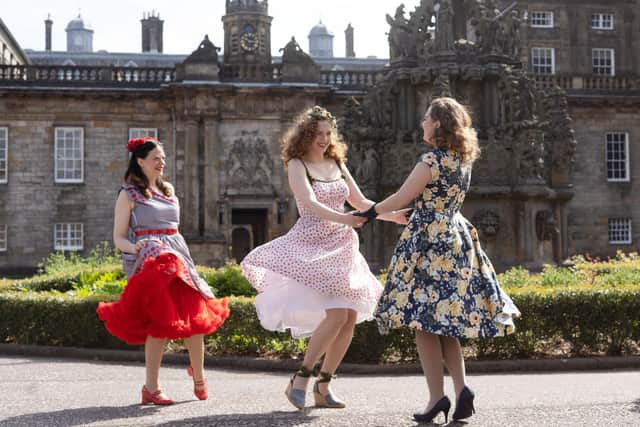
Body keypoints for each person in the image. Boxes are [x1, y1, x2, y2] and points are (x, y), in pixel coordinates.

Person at [357, 97, 520, 423]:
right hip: (456, 236)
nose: (422, 124)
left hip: (429, 241)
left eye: (426, 119)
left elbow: (403, 196)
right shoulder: (462, 160)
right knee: (444, 323)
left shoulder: (430, 160)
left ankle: (436, 398)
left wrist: (371, 211)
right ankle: (461, 390)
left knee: (422, 322)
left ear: (438, 124)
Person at [240, 106, 407, 410]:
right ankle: (301, 378)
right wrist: (347, 219)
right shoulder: (297, 164)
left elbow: (360, 202)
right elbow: (309, 203)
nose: (324, 139)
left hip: (342, 245)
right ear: (306, 134)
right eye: (318, 134)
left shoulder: (336, 162)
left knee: (350, 317)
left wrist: (392, 216)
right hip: (312, 244)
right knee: (337, 315)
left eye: (328, 133)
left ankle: (324, 385)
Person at [97, 137, 230, 405]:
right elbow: (119, 238)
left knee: (196, 318)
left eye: (163, 158)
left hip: (179, 260)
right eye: (156, 158)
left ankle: (199, 375)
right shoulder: (128, 194)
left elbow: (175, 232)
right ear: (140, 161)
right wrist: (139, 247)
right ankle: (151, 387)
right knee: (159, 324)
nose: (162, 163)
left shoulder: (169, 191)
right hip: (151, 264)